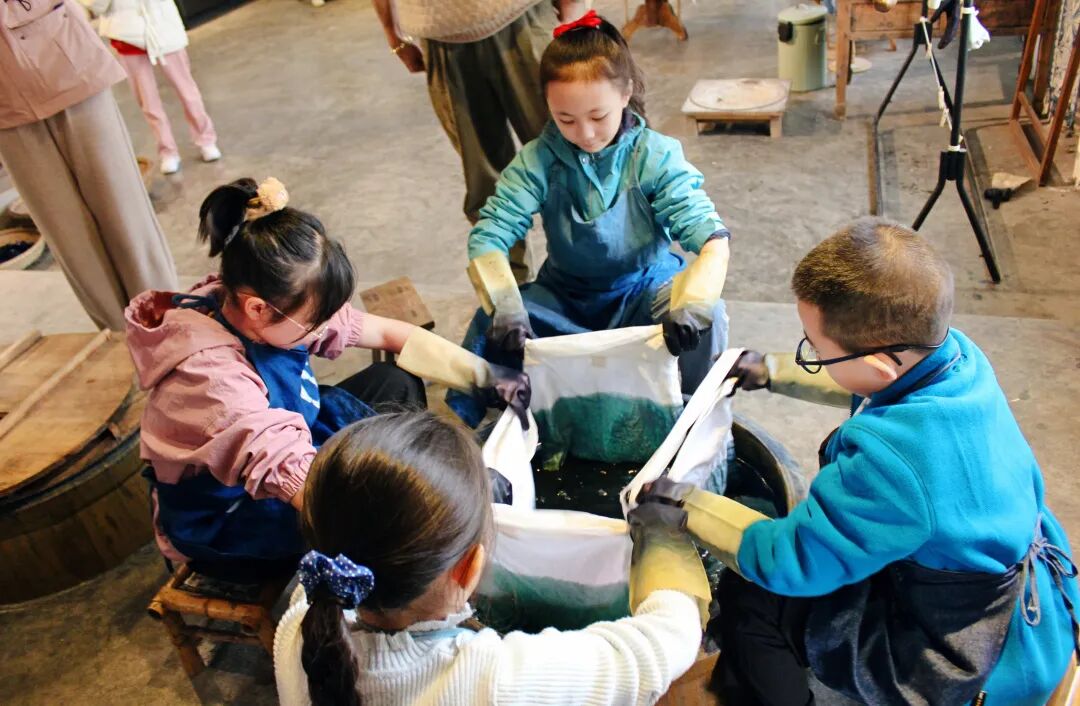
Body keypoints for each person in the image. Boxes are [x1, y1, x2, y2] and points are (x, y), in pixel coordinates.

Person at [637, 219, 1080, 706]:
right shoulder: (956, 356)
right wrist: (772, 371)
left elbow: (792, 560)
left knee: (753, 602)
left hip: (971, 643)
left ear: (879, 364)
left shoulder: (891, 463)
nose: (810, 354)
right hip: (1016, 572)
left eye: (815, 350)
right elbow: (872, 383)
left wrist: (685, 506)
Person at [126, 177, 530, 582]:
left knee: (395, 383)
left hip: (286, 441)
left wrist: (486, 376)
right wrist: (445, 500)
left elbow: (387, 334)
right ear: (257, 309)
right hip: (232, 511)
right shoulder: (212, 383)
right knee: (376, 528)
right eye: (313, 324)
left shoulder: (265, 297)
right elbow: (309, 490)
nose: (323, 330)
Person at [274, 410, 712, 706]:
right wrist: (662, 541)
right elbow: (662, 646)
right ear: (469, 569)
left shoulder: (300, 629)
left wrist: (455, 507)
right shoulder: (493, 678)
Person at [448, 12, 731, 427]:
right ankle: (491, 429)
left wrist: (695, 303)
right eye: (565, 119)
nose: (585, 134)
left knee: (710, 319)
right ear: (548, 106)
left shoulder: (655, 155)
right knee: (491, 322)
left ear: (626, 93)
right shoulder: (537, 160)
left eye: (598, 117)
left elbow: (711, 237)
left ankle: (692, 420)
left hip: (643, 290)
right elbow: (490, 235)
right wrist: (506, 304)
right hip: (566, 298)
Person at [372, 0, 586, 281]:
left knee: (572, 160)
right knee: (486, 185)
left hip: (523, 16)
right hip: (441, 37)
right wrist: (392, 32)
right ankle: (512, 293)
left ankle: (593, 278)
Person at [0, 0, 178, 331]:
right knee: (68, 233)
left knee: (122, 208)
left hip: (64, 58)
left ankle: (169, 324)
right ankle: (120, 335)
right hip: (7, 108)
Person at [81, 0, 221, 174]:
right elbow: (95, 6)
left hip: (164, 29)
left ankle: (206, 140)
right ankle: (167, 151)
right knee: (148, 101)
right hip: (127, 36)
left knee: (188, 92)